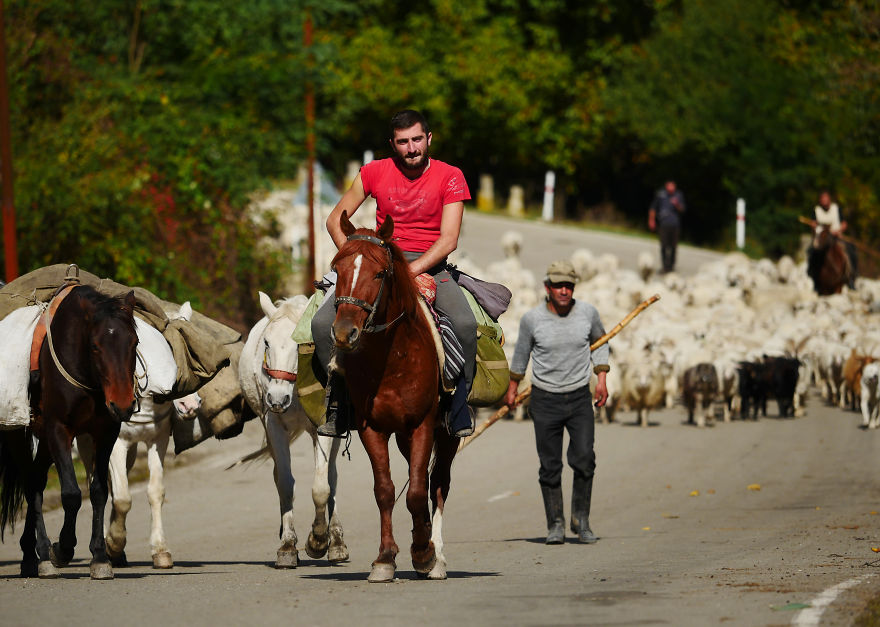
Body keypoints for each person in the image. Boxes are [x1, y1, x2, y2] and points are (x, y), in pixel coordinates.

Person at [311, 109, 478, 438]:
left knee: (465, 324)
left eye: (417, 139)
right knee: (319, 324)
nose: (412, 148)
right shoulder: (373, 172)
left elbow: (449, 240)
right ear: (393, 144)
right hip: (380, 260)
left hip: (430, 263)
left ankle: (459, 405)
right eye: (403, 142)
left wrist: (410, 271)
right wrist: (361, 260)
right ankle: (340, 403)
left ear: (429, 139)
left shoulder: (451, 176)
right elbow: (335, 220)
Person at [504, 260, 610, 545]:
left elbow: (602, 342)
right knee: (550, 465)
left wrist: (601, 378)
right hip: (545, 398)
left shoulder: (587, 313)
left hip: (578, 397)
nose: (564, 291)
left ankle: (581, 520)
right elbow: (521, 354)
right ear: (547, 287)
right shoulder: (532, 319)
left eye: (569, 286)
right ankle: (556, 523)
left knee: (584, 459)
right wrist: (512, 387)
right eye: (558, 285)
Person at [807, 190, 857, 288]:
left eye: (826, 198)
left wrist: (838, 231)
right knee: (811, 251)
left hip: (836, 237)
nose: (824, 201)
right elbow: (813, 224)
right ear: (820, 200)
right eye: (822, 199)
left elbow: (844, 224)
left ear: (829, 199)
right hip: (821, 239)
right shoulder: (816, 210)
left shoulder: (836, 208)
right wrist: (813, 226)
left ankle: (851, 278)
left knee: (851, 250)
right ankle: (813, 277)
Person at [647, 180, 686, 273]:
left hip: (675, 225)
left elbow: (683, 210)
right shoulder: (661, 195)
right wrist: (651, 220)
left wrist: (677, 204)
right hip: (663, 224)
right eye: (669, 185)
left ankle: (671, 267)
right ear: (666, 186)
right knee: (664, 246)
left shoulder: (679, 195)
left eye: (673, 185)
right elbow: (653, 208)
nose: (671, 187)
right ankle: (665, 267)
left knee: (673, 247)